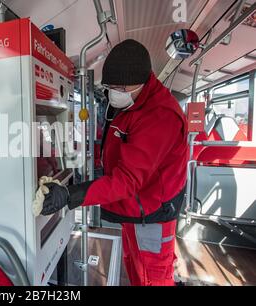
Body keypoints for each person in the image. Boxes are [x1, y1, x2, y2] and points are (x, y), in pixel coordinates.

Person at [36, 39, 189, 286]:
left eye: (118, 86)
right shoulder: (134, 102)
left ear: (139, 81)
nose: (112, 92)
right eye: (110, 86)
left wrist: (69, 194)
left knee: (153, 276)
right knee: (133, 265)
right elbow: (117, 146)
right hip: (135, 209)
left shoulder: (159, 116)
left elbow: (127, 180)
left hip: (152, 212)